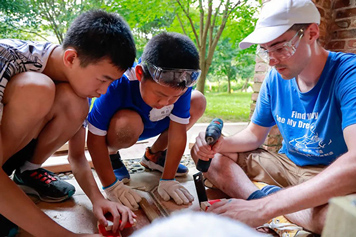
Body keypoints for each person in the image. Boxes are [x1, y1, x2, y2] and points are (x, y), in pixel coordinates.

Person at [191, 0, 356, 235]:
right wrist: (219, 144)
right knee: (212, 160)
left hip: (327, 173)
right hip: (286, 165)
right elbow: (254, 135)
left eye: (280, 48)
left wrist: (262, 209)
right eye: (266, 50)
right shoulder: (276, 78)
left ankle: (268, 203)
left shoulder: (349, 74)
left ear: (312, 33)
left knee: (340, 218)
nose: (271, 60)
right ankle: (266, 197)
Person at [0, 10, 137, 236]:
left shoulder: (72, 76)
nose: (103, 91)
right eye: (103, 80)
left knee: (75, 102)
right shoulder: (7, 60)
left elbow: (76, 156)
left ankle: (26, 173)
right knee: (38, 88)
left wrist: (98, 200)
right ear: (71, 58)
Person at [86, 32, 206, 210]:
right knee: (128, 122)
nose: (165, 103)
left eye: (174, 97)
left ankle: (154, 156)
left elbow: (178, 134)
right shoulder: (118, 82)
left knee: (198, 101)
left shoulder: (181, 82)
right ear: (140, 73)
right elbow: (94, 138)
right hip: (124, 129)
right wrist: (110, 185)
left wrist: (168, 179)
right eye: (160, 94)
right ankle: (112, 156)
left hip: (155, 124)